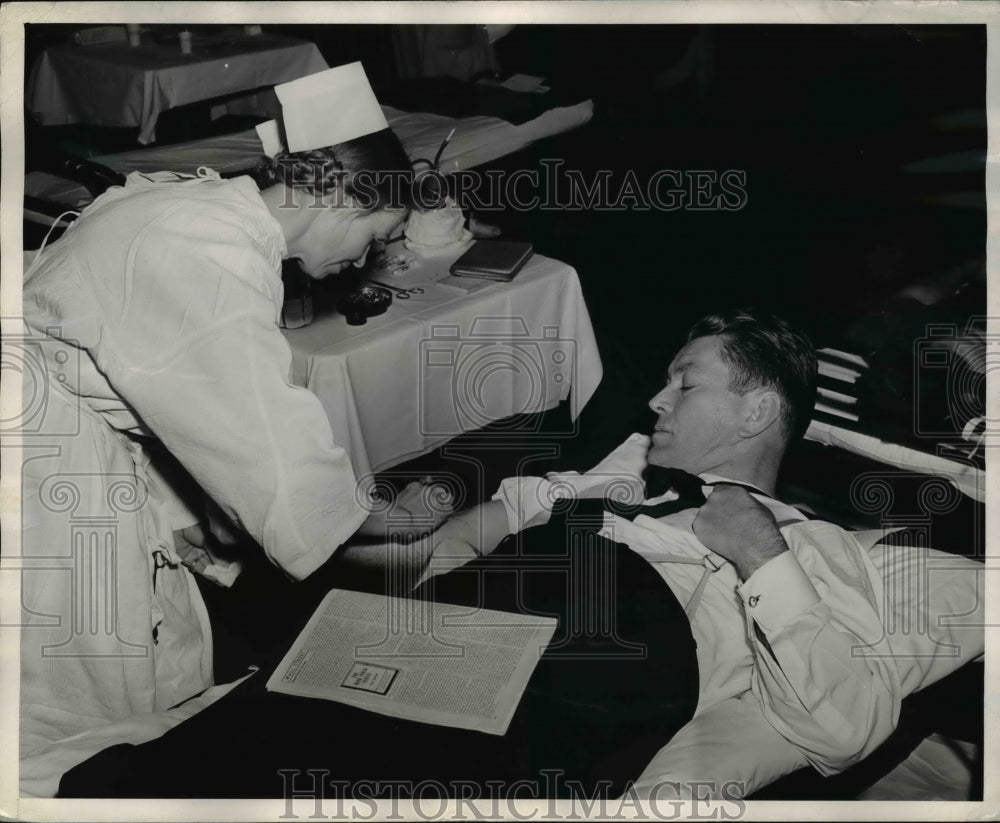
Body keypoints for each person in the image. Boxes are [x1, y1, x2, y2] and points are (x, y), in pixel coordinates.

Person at [17, 67, 452, 795]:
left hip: (70, 430)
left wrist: (195, 519)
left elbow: (165, 391)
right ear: (342, 194)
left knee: (135, 653)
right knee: (65, 693)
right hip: (43, 461)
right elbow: (269, 443)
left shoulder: (211, 213)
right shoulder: (208, 251)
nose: (369, 258)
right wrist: (390, 513)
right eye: (381, 233)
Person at [410, 308, 985, 795]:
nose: (657, 400)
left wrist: (759, 553)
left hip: (588, 661)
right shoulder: (617, 485)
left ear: (756, 413)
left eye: (685, 385)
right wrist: (434, 544)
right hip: (466, 623)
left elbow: (842, 727)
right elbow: (488, 522)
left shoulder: (809, 549)